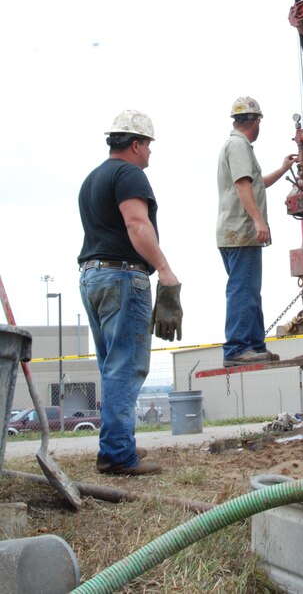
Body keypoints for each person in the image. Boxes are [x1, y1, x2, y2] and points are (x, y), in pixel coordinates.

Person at [78, 109, 183, 476]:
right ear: (135, 144)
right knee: (126, 368)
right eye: (148, 145)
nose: (150, 152)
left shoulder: (93, 178)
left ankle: (116, 447)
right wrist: (166, 273)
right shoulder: (129, 174)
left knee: (112, 367)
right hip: (123, 278)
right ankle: (118, 455)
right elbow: (137, 225)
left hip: (92, 277)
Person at [217, 96, 296, 367]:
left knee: (249, 289)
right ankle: (237, 348)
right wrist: (259, 221)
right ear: (256, 121)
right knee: (242, 290)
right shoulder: (238, 146)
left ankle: (253, 346)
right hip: (241, 232)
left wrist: (284, 169)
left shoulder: (239, 147)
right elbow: (242, 185)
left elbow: (255, 183)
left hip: (236, 233)